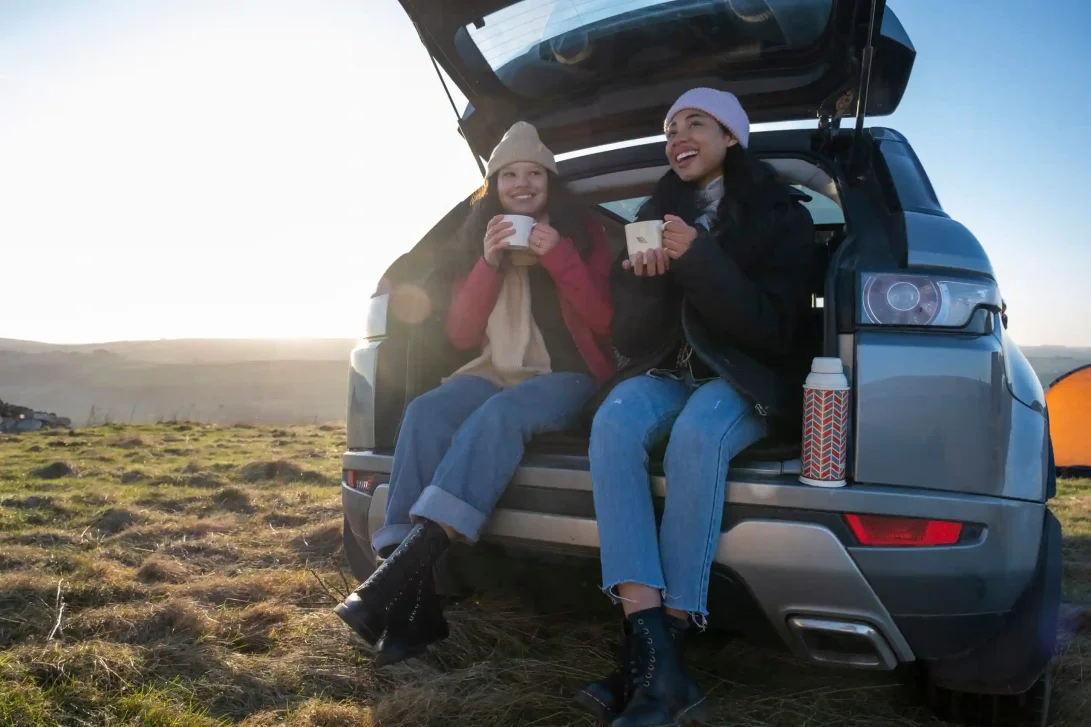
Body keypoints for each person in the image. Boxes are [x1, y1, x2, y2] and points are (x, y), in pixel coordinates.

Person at [575, 88, 818, 726]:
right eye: (669, 127)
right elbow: (629, 341)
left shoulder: (779, 215)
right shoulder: (654, 214)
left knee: (697, 436)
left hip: (745, 379)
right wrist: (639, 279)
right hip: (668, 373)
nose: (677, 135)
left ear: (731, 136)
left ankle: (652, 664)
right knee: (615, 420)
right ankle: (656, 655)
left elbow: (774, 331)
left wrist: (701, 258)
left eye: (695, 122)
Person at [334, 121, 615, 667]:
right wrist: (488, 264)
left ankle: (391, 582)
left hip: (569, 378)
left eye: (535, 173)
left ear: (550, 183)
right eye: (510, 174)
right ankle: (414, 604)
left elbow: (604, 321)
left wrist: (559, 256)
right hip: (495, 368)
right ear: (494, 187)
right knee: (426, 411)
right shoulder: (479, 243)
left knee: (500, 414)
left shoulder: (583, 238)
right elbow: (462, 336)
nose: (523, 182)